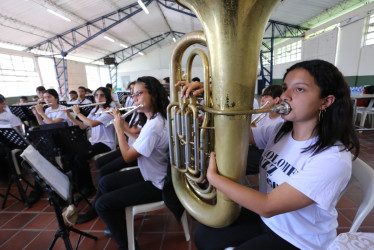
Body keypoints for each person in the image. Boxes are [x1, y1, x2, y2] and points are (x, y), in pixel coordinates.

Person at [179, 59, 360, 249]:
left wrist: (213, 179)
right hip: (269, 221)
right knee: (204, 236)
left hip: (298, 239)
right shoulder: (281, 130)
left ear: (326, 101)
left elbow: (267, 206)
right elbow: (237, 136)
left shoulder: (332, 159)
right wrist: (210, 102)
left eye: (299, 89)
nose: (285, 96)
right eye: (285, 88)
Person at [77, 76, 169, 249]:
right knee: (105, 181)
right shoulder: (155, 118)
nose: (134, 99)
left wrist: (118, 128)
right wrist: (122, 124)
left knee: (102, 204)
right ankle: (119, 224)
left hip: (157, 183)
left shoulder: (154, 125)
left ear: (154, 94)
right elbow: (139, 139)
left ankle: (128, 245)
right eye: (133, 95)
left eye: (138, 94)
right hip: (151, 173)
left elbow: (127, 157)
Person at [63, 87, 115, 199]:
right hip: (93, 141)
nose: (98, 98)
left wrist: (78, 113)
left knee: (79, 157)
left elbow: (92, 124)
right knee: (72, 153)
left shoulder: (109, 110)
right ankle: (78, 185)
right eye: (96, 95)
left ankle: (88, 187)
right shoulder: (94, 110)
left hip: (105, 143)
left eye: (102, 95)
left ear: (107, 97)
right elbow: (83, 126)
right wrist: (69, 116)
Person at [247, 84, 284, 174]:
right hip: (255, 147)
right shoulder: (263, 114)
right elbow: (252, 127)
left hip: (266, 153)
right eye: (263, 96)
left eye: (266, 97)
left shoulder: (282, 121)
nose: (262, 99)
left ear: (276, 100)